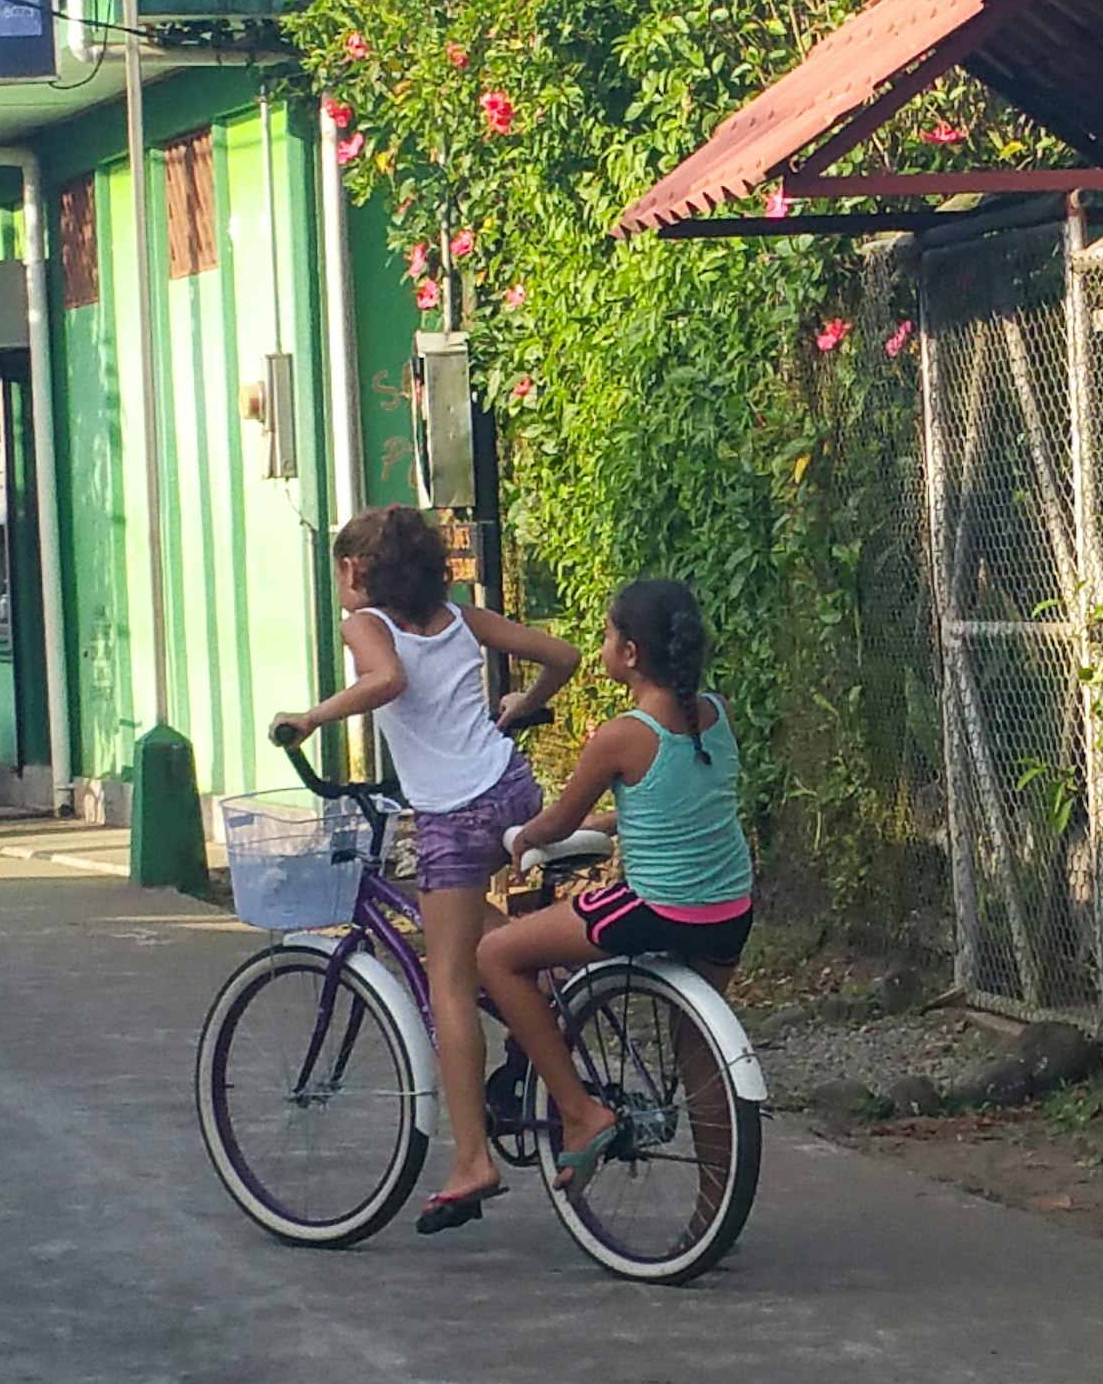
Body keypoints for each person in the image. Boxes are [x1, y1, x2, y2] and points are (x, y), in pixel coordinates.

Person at [267, 506, 578, 1235]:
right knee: (465, 934)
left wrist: (311, 720)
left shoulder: (366, 625)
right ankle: (557, 987)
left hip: (452, 810)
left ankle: (472, 1160)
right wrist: (519, 707)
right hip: (509, 788)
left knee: (446, 981)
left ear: (354, 571)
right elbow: (562, 656)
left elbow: (387, 681)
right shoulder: (463, 617)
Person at [482, 577, 754, 1200]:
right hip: (727, 912)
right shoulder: (715, 714)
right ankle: (714, 1209)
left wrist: (521, 838)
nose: (601, 644)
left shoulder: (620, 735)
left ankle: (581, 1112)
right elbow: (673, 803)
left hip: (658, 910)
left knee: (496, 955)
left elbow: (558, 823)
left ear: (630, 655)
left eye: (607, 635)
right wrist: (611, 823)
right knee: (698, 1056)